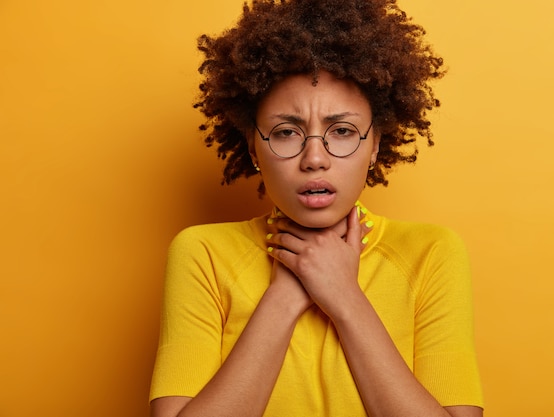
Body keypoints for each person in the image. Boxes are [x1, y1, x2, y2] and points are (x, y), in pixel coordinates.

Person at [149, 0, 484, 416]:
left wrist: (344, 295)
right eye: (286, 132)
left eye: (341, 131)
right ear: (254, 146)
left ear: (375, 144)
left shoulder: (431, 253)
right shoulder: (202, 253)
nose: (315, 158)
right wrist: (286, 294)